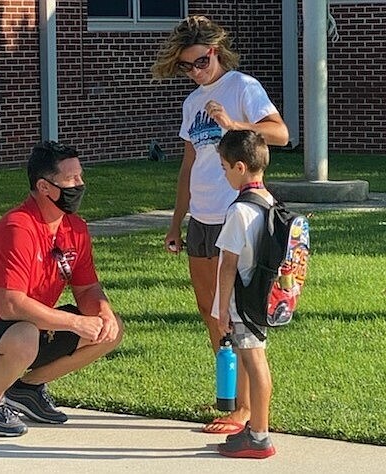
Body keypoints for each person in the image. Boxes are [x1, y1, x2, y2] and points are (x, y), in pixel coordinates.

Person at [151, 15, 289, 435]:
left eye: (202, 61)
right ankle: (230, 395)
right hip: (202, 216)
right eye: (188, 66)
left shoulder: (243, 87)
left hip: (237, 214)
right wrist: (177, 221)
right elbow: (189, 166)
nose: (197, 71)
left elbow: (280, 133)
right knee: (211, 311)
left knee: (236, 311)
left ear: (216, 51)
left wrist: (233, 124)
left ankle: (245, 409)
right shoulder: (192, 102)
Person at [0, 140, 124, 437]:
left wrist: (102, 313)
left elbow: (87, 287)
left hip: (24, 331)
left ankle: (26, 389)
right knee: (25, 334)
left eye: (80, 176)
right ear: (44, 187)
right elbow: (10, 306)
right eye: (70, 179)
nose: (80, 185)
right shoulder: (17, 228)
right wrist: (76, 322)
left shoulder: (74, 228)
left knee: (112, 328)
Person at [213, 130, 276, 458]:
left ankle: (259, 435)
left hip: (243, 300)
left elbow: (227, 266)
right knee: (257, 360)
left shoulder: (240, 211)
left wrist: (222, 309)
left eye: (224, 168)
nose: (224, 174)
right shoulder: (270, 202)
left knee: (254, 362)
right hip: (262, 296)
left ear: (240, 167)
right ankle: (256, 430)